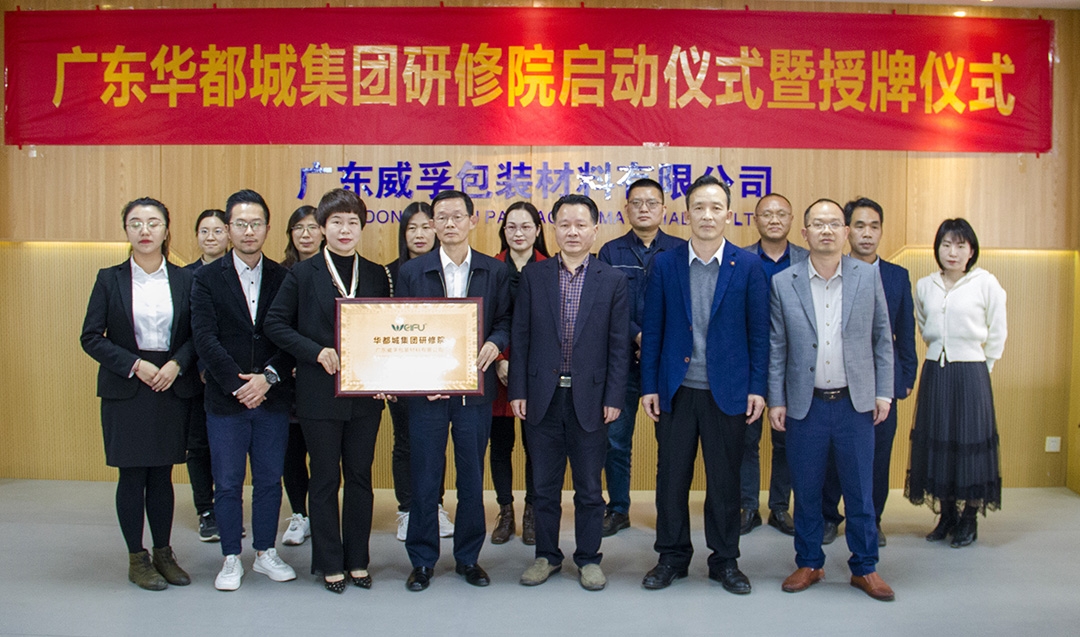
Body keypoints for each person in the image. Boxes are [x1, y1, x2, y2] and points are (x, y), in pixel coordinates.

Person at [639, 175, 768, 595]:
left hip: (727, 391)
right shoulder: (666, 264)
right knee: (671, 480)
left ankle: (725, 560)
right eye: (699, 207)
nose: (707, 215)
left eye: (716, 208)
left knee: (725, 482)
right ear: (687, 214)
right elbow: (653, 331)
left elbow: (760, 334)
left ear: (728, 215)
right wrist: (649, 386)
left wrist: (758, 388)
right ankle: (671, 557)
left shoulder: (748, 266)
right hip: (677, 391)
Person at [768, 198, 895, 602]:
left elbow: (882, 337)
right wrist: (776, 399)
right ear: (804, 233)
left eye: (834, 224)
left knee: (860, 491)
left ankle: (865, 566)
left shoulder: (866, 276)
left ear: (845, 232)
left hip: (854, 404)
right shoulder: (783, 282)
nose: (826, 230)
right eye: (818, 224)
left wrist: (883, 391)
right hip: (805, 404)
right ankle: (809, 562)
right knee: (806, 490)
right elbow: (777, 346)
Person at [265, 188, 390, 593]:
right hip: (319, 393)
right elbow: (275, 324)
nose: (344, 229)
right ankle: (329, 562)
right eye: (336, 222)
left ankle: (358, 560)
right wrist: (315, 351)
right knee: (323, 478)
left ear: (362, 227)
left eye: (353, 222)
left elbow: (388, 330)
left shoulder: (377, 274)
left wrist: (389, 377)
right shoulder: (303, 274)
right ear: (322, 227)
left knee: (359, 477)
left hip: (365, 394)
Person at [510, 194, 629, 591]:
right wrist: (518, 389)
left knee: (590, 489)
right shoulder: (534, 276)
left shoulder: (612, 280)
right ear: (554, 229)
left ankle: (589, 558)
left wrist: (614, 397)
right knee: (544, 488)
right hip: (542, 397)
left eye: (581, 225)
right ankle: (546, 556)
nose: (573, 232)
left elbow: (618, 346)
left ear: (595, 229)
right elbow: (521, 337)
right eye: (564, 224)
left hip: (591, 400)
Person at [395, 189, 511, 592]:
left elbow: (505, 319)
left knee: (471, 479)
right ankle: (422, 560)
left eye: (457, 216)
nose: (449, 224)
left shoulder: (493, 271)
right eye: (440, 218)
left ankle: (468, 558)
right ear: (432, 224)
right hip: (426, 393)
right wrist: (417, 375)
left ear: (472, 221)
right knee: (425, 478)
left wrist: (496, 342)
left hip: (473, 393)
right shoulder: (413, 272)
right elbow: (401, 326)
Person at [80, 197, 198, 590]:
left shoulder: (185, 279)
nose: (145, 230)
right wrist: (135, 364)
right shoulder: (108, 279)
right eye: (136, 223)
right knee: (131, 475)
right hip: (127, 387)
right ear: (126, 230)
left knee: (162, 474)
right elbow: (91, 337)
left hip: (169, 383)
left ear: (166, 229)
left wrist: (177, 364)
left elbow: (198, 334)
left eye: (153, 223)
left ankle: (164, 553)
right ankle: (137, 558)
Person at [191, 190, 296, 591]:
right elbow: (204, 337)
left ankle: (265, 551)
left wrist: (267, 378)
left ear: (267, 228)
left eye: (256, 224)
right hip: (226, 399)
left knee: (269, 479)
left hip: (272, 396)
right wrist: (239, 384)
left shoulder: (284, 277)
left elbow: (291, 336)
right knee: (228, 481)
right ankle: (231, 556)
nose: (248, 231)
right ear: (228, 228)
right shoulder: (205, 278)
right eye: (240, 224)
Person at [821, 198, 918, 547]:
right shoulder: (833, 271)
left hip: (880, 386)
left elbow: (904, 333)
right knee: (833, 456)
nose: (867, 233)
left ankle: (871, 520)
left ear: (881, 231)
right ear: (848, 231)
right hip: (838, 382)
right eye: (860, 226)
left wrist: (904, 380)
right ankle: (829, 517)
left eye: (874, 226)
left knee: (877, 457)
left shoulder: (896, 276)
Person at [906, 218, 1006, 548]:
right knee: (940, 441)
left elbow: (998, 330)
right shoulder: (925, 285)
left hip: (972, 372)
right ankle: (946, 514)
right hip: (936, 370)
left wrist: (984, 366)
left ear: (971, 251)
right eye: (946, 244)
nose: (952, 252)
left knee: (970, 444)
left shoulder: (985, 283)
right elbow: (924, 325)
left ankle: (969, 518)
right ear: (937, 249)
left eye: (961, 245)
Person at [596, 178, 685, 537]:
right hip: (622, 364)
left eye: (651, 203)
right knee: (616, 440)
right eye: (637, 203)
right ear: (626, 209)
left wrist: (657, 340)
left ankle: (669, 511)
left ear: (664, 209)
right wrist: (638, 335)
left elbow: (685, 306)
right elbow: (605, 306)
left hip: (668, 366)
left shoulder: (680, 251)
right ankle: (618, 508)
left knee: (672, 444)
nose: (644, 209)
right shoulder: (610, 252)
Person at [384, 202, 454, 543]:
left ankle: (435, 505)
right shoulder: (388, 273)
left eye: (426, 226)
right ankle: (408, 509)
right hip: (399, 372)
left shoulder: (448, 270)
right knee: (405, 441)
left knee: (435, 442)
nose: (420, 234)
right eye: (412, 228)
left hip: (440, 374)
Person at [739, 193, 808, 537]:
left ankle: (780, 507)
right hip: (749, 360)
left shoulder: (808, 260)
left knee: (787, 439)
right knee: (746, 438)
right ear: (756, 220)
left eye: (782, 213)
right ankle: (747, 506)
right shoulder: (740, 259)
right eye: (767, 214)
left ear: (792, 220)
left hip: (794, 362)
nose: (774, 219)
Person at [490, 201, 550, 545]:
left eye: (526, 226)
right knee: (500, 444)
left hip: (536, 370)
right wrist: (499, 359)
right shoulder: (490, 267)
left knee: (535, 445)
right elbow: (482, 320)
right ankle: (505, 510)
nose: (518, 233)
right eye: (511, 227)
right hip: (496, 368)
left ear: (538, 230)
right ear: (503, 231)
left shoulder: (551, 267)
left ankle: (531, 511)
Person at [184, 208, 229, 542]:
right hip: (196, 375)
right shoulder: (184, 277)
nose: (211, 237)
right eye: (204, 231)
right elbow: (186, 330)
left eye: (217, 231)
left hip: (234, 375)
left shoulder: (243, 271)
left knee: (230, 447)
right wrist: (202, 366)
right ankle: (206, 509)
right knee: (198, 444)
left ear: (229, 234)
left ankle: (228, 508)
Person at [278, 204, 322, 547]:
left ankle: (321, 514)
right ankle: (299, 514)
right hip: (287, 378)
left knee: (323, 455)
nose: (305, 235)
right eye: (298, 228)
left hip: (324, 376)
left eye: (312, 227)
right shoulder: (279, 273)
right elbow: (273, 326)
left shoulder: (336, 271)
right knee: (291, 452)